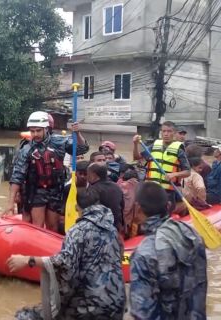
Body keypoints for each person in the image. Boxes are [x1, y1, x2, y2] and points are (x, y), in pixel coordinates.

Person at [7, 189, 126, 320]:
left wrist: (27, 260)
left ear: (76, 207)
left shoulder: (77, 231)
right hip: (117, 303)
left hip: (91, 306)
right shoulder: (113, 232)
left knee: (26, 315)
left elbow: (64, 263)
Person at [130, 182, 207, 319]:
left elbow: (142, 311)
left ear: (138, 208)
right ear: (168, 206)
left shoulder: (144, 252)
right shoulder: (192, 235)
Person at [6, 111, 89, 232]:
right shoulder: (26, 150)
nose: (35, 134)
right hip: (36, 191)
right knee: (37, 226)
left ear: (46, 129)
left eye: (38, 130)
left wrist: (77, 133)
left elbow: (82, 149)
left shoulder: (59, 142)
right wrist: (10, 202)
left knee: (52, 226)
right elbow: (17, 176)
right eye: (32, 131)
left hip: (55, 190)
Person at [133, 121, 191, 211]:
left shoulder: (179, 150)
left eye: (169, 131)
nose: (166, 134)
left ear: (174, 133)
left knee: (164, 217)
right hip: (150, 189)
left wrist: (174, 175)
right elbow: (137, 157)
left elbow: (187, 172)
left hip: (167, 192)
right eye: (163, 131)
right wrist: (135, 144)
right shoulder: (154, 146)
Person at [86, 163, 124, 233]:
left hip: (100, 229)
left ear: (93, 175)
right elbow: (122, 207)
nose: (87, 177)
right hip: (116, 228)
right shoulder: (116, 187)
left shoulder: (93, 189)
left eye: (88, 174)